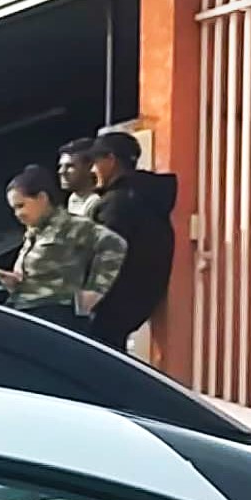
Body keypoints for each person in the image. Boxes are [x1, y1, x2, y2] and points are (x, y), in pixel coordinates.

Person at [0, 164, 124, 336]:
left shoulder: (72, 226)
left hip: (57, 315)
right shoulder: (34, 232)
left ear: (42, 198)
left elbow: (115, 245)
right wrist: (15, 281)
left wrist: (95, 290)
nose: (17, 214)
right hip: (28, 312)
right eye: (14, 208)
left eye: (21, 206)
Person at [80, 129, 181, 352]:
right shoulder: (146, 198)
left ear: (110, 160)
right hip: (135, 304)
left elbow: (103, 256)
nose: (92, 169)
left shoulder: (118, 204)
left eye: (95, 162)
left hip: (110, 306)